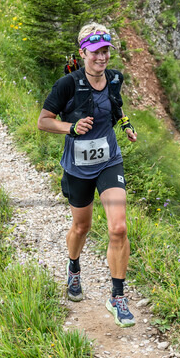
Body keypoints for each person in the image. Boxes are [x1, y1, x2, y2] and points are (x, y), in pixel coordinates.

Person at [38, 23, 138, 327]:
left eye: (105, 50)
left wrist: (126, 125)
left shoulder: (115, 78)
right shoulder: (67, 84)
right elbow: (43, 121)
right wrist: (70, 128)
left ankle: (117, 297)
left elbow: (116, 105)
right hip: (78, 168)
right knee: (81, 228)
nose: (101, 57)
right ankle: (74, 268)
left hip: (109, 161)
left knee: (118, 228)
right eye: (95, 52)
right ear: (83, 53)